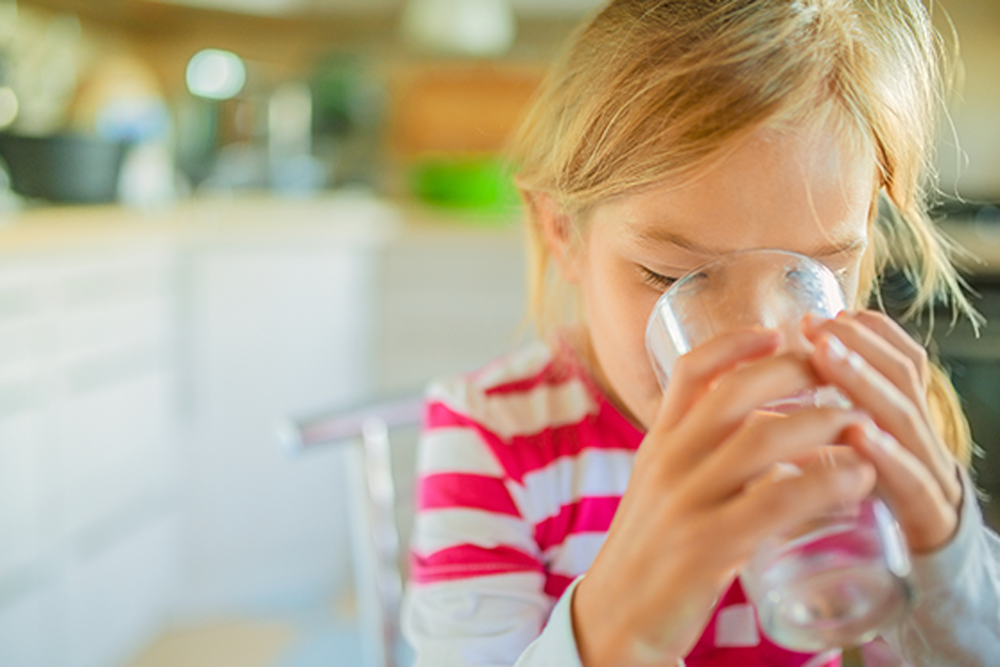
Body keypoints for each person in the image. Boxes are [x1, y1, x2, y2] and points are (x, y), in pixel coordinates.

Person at [401, 1, 1000, 665]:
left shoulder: (859, 427)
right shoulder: (492, 440)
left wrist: (949, 559)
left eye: (814, 272)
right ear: (564, 232)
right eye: (671, 276)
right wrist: (616, 635)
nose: (756, 338)